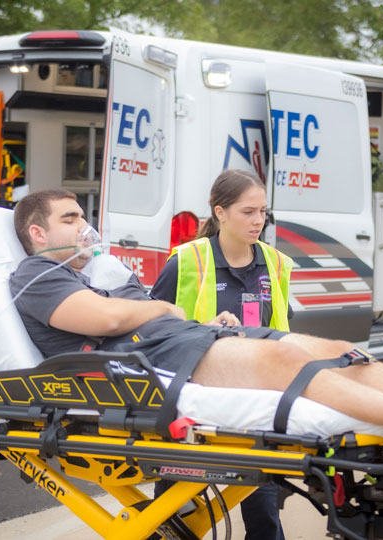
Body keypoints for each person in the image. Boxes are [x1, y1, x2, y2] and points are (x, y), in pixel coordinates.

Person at [8, 189, 383, 468]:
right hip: (148, 364)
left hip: (185, 338)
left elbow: (139, 312)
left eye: (82, 216)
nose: (85, 225)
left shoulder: (100, 273)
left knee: (336, 349)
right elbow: (110, 321)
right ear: (38, 232)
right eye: (71, 218)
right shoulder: (35, 275)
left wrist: (182, 318)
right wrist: (165, 313)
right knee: (289, 364)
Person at [150, 169, 291, 539]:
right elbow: (148, 331)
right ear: (220, 213)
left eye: (263, 211)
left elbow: (283, 333)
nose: (258, 220)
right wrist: (203, 331)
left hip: (255, 402)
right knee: (176, 513)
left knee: (263, 512)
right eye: (248, 212)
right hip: (194, 401)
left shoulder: (275, 264)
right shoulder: (185, 262)